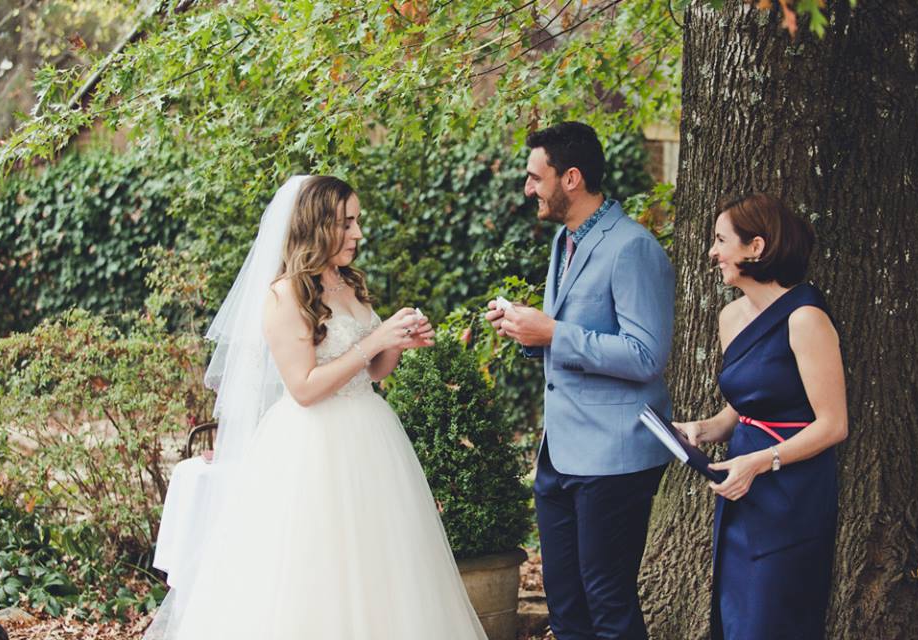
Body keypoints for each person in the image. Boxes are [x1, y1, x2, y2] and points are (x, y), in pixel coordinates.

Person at [145, 175, 487, 640]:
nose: (358, 233)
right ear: (317, 224)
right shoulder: (285, 294)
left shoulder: (348, 283)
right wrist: (375, 343)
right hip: (313, 449)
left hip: (372, 440)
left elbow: (373, 371)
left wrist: (398, 342)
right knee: (316, 570)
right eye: (346, 223)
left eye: (358, 222)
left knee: (381, 565)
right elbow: (304, 387)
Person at [486, 122, 675, 639]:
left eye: (535, 176)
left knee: (608, 603)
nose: (528, 188)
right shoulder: (565, 241)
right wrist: (528, 332)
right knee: (566, 605)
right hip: (560, 454)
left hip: (614, 457)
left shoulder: (633, 247)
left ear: (571, 178)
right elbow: (570, 334)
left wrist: (552, 332)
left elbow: (645, 355)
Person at [674, 193, 848, 640]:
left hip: (792, 490)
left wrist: (760, 462)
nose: (712, 252)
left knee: (771, 619)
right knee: (735, 614)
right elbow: (743, 407)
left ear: (756, 247)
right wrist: (703, 429)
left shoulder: (806, 317)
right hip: (740, 485)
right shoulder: (730, 316)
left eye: (720, 240)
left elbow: (833, 425)